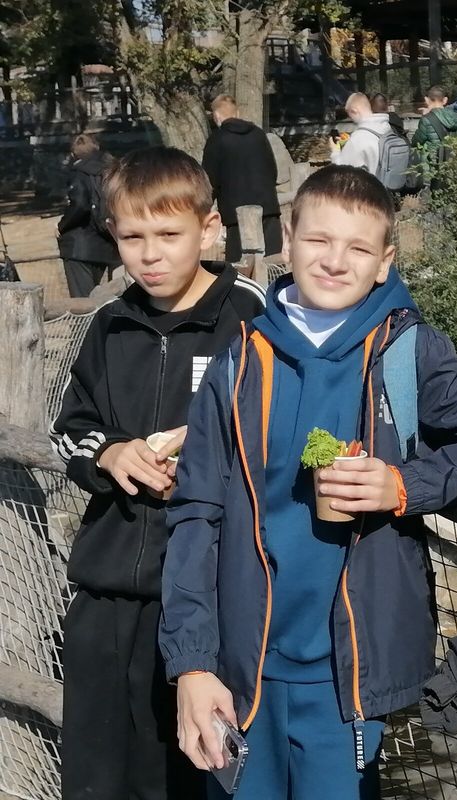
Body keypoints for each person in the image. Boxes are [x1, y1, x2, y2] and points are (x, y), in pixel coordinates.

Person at [159, 164, 457, 800]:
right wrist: (192, 662)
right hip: (240, 671)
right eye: (318, 240)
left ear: (385, 262)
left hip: (346, 677)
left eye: (358, 248)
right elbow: (196, 512)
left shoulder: (409, 350)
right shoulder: (239, 360)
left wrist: (403, 486)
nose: (334, 261)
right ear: (288, 241)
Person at [49, 146, 266, 800]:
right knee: (98, 776)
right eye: (132, 237)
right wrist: (110, 454)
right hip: (109, 589)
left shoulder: (251, 317)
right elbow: (70, 425)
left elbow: (284, 432)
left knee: (192, 775)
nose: (150, 255)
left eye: (168, 235)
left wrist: (208, 457)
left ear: (208, 228)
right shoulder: (111, 324)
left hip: (208, 598)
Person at [202, 94, 282, 263]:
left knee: (240, 266)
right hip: (267, 208)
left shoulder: (217, 140)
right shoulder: (258, 134)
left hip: (235, 215)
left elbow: (209, 181)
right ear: (237, 113)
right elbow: (273, 170)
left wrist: (205, 206)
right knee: (274, 264)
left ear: (216, 116)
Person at [56, 132, 121, 297]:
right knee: (114, 296)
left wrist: (62, 226)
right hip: (109, 240)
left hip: (80, 246)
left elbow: (80, 204)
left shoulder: (79, 173)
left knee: (83, 301)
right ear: (97, 147)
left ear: (73, 154)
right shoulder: (114, 170)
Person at [330, 92, 392, 172]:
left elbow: (341, 171)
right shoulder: (387, 128)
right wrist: (348, 143)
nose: (350, 119)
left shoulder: (357, 139)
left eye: (349, 115)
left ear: (354, 111)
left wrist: (335, 151)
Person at [412, 85, 457, 160]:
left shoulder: (426, 119)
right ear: (445, 100)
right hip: (452, 159)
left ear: (426, 100)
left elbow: (416, 142)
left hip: (433, 159)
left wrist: (425, 116)